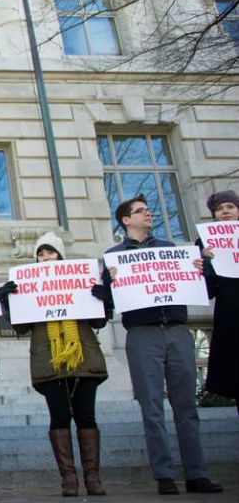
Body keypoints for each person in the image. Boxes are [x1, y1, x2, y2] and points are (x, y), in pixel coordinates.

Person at [102, 195, 223, 495]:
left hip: (178, 330)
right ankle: (164, 475)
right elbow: (106, 303)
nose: (148, 214)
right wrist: (108, 282)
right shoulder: (114, 256)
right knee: (152, 407)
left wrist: (203, 268)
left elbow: (205, 289)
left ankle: (196, 474)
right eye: (140, 211)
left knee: (187, 406)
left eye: (148, 210)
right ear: (126, 220)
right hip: (143, 334)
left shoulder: (171, 250)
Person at [0, 232, 109, 497]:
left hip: (83, 358)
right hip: (49, 361)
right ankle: (69, 479)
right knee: (59, 417)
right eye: (40, 254)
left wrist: (103, 298)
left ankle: (92, 477)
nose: (45, 258)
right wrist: (8, 301)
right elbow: (21, 327)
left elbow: (99, 322)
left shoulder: (79, 281)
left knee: (86, 416)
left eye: (50, 253)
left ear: (60, 255)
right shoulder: (31, 286)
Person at [199, 190, 239, 415]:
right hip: (231, 319)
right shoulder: (205, 243)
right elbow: (207, 291)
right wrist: (206, 262)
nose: (225, 212)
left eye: (230, 207)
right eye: (219, 209)